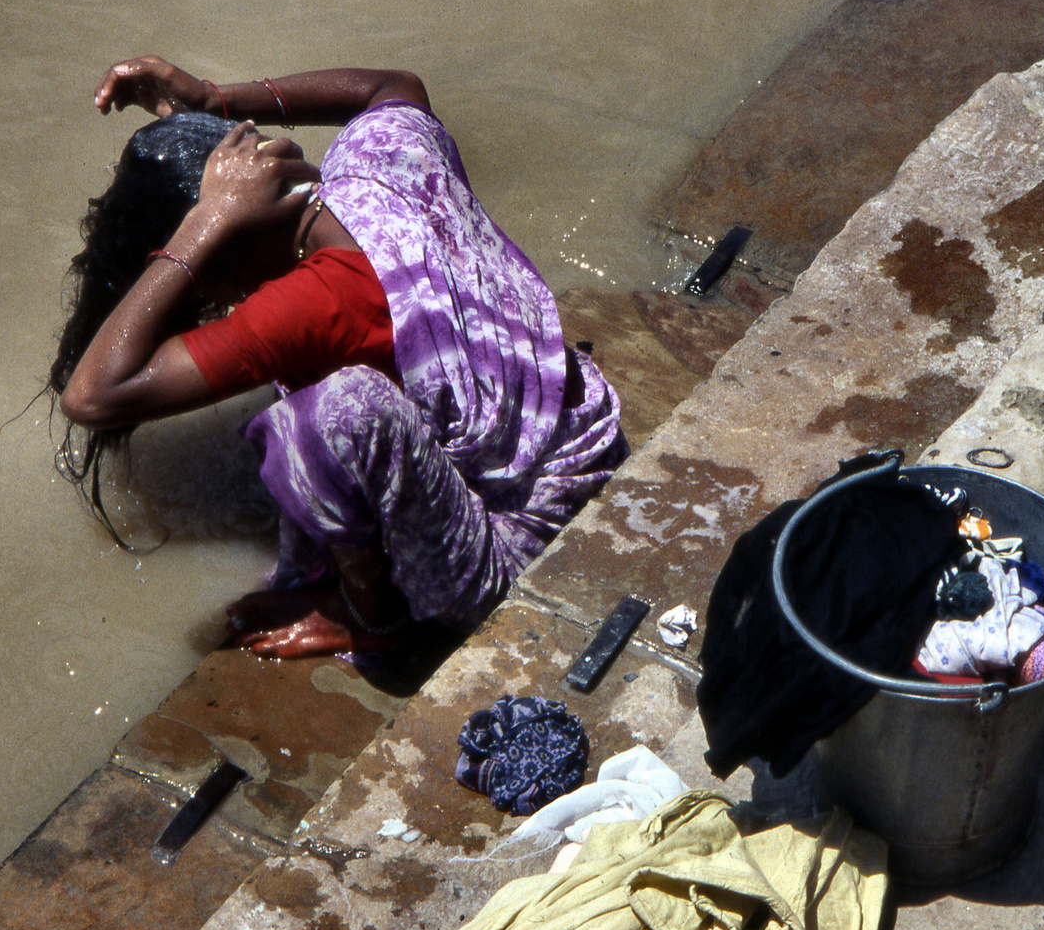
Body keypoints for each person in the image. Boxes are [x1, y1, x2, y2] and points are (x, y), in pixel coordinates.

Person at [50, 57, 627, 659]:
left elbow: (92, 397)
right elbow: (392, 86)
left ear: (215, 259)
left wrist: (204, 223)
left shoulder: (312, 303)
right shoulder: (375, 164)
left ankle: (372, 616)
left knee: (323, 415)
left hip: (513, 551)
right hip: (583, 435)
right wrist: (215, 96)